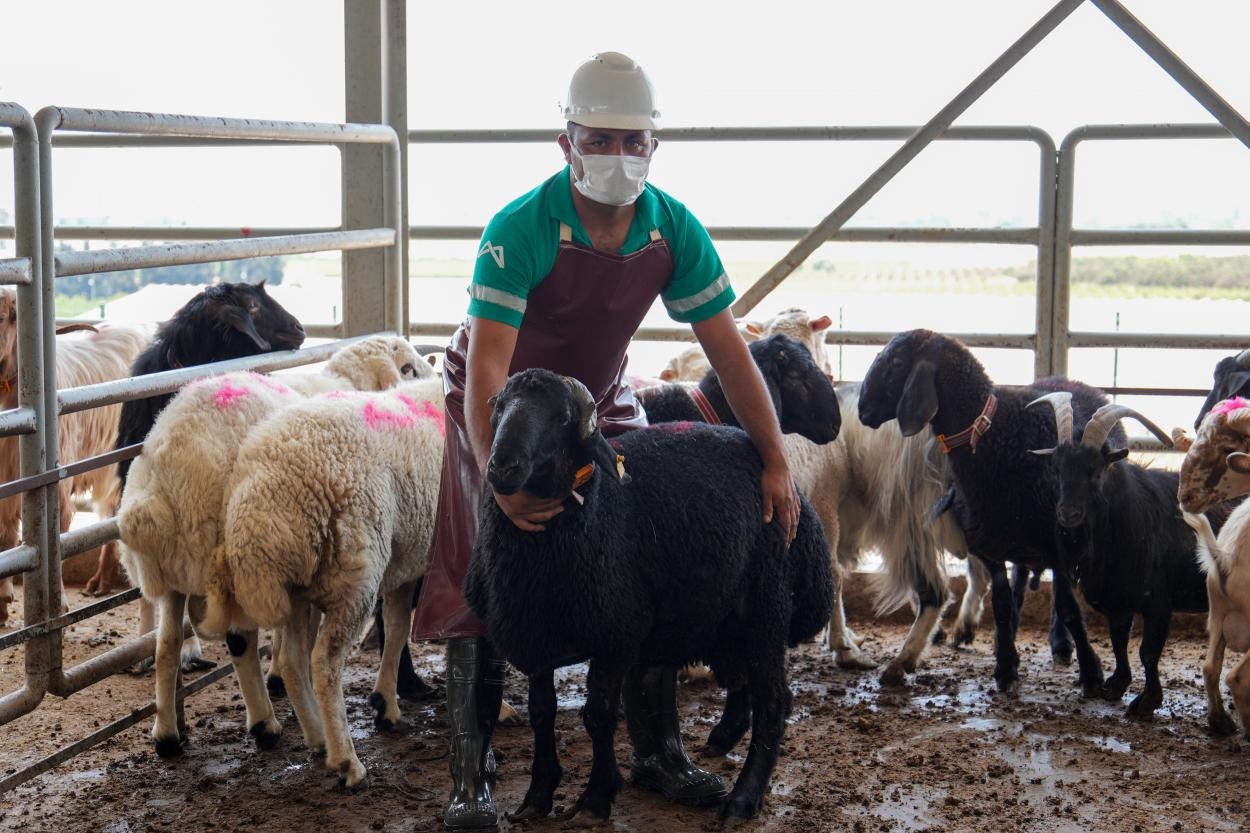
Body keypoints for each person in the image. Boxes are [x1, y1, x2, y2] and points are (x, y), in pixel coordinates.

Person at [411, 51, 800, 829]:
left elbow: (730, 352)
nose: (618, 156)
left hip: (594, 397)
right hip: (503, 405)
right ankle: (470, 771)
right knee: (483, 561)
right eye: (600, 140)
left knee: (646, 545)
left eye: (633, 142)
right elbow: (488, 367)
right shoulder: (521, 227)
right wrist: (497, 481)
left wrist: (775, 456)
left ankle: (656, 748)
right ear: (568, 143)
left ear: (653, 146)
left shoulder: (671, 228)